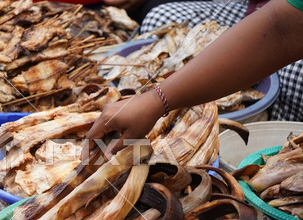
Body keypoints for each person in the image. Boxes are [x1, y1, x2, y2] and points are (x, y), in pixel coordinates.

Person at [83, 0, 303, 160]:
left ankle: (273, 146)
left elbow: (284, 30)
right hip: (257, 8)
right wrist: (156, 100)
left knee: (294, 79)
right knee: (158, 14)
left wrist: (157, 100)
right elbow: (280, 26)